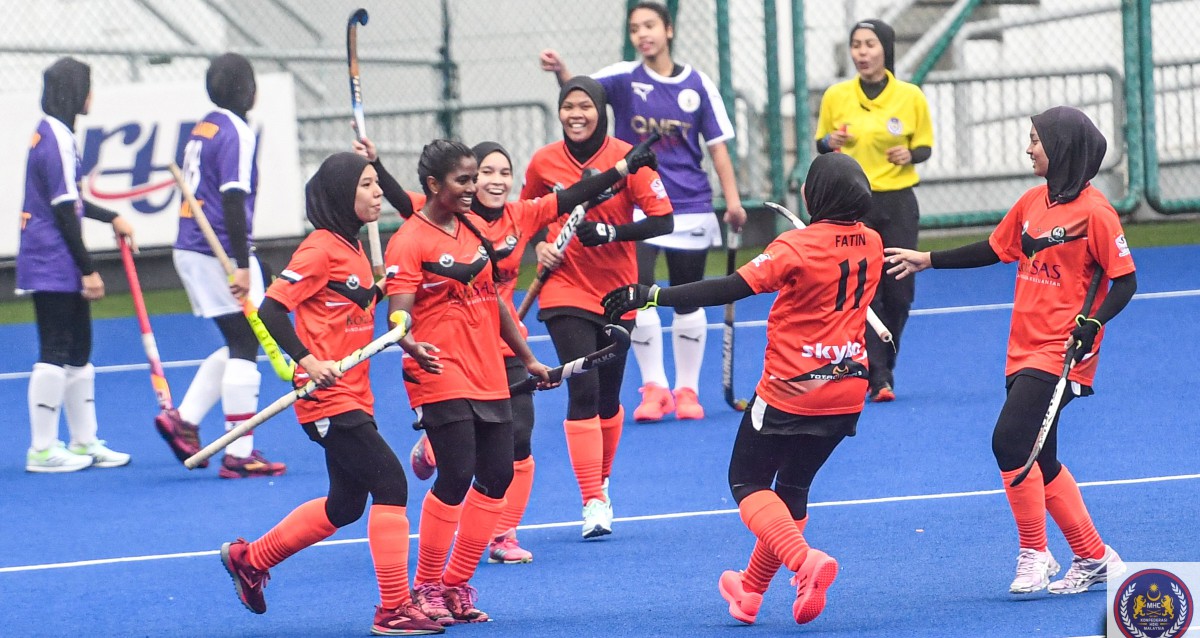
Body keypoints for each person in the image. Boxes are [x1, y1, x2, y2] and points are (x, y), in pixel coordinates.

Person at [602, 152, 882, 626]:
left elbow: (731, 288)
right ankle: (749, 592)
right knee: (791, 490)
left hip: (792, 387)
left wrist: (653, 295)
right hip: (849, 386)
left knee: (746, 482)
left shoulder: (795, 247)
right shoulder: (873, 242)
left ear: (816, 196)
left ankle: (804, 562)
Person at [355, 135, 656, 564]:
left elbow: (571, 196)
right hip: (449, 354)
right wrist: (377, 161)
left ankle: (502, 534)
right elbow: (406, 207)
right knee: (461, 465)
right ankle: (433, 556)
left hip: (502, 342)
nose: (491, 182)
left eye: (501, 173)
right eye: (480, 174)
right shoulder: (435, 225)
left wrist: (622, 170)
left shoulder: (513, 217)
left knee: (517, 441)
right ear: (447, 184)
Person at [885, 106, 1133, 595]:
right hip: (1021, 348)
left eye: (1036, 140)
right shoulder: (1029, 202)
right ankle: (1095, 556)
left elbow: (1125, 281)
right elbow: (995, 249)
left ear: (1060, 148)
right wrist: (928, 260)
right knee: (1040, 460)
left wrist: (1093, 323)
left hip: (1062, 351)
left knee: (1010, 442)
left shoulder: (1097, 213)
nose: (1028, 148)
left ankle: (1034, 552)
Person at [218, 152, 443, 635]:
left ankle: (250, 559)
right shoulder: (320, 248)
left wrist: (384, 294)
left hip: (355, 395)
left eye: (376, 184)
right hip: (327, 399)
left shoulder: (354, 248)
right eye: (367, 184)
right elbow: (273, 309)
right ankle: (393, 609)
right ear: (342, 194)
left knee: (345, 505)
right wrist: (307, 360)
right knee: (391, 484)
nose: (378, 191)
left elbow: (351, 304)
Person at [540, 1, 746, 422]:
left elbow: (717, 147)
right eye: (635, 29)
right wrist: (562, 71)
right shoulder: (622, 77)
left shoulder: (698, 84)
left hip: (689, 205)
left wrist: (735, 200)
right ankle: (655, 388)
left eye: (650, 26)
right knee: (640, 295)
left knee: (688, 296)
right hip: (636, 207)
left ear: (668, 30)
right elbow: (582, 96)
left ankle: (687, 390)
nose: (643, 35)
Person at [384, 139, 557, 625]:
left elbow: (493, 299)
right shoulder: (408, 240)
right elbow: (398, 312)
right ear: (434, 185)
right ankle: (427, 587)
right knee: (457, 473)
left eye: (473, 178)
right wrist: (406, 339)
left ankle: (457, 584)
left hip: (487, 369)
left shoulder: (472, 229)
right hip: (438, 370)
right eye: (463, 180)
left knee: (498, 474)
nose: (473, 187)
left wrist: (528, 357)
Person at [155, 53, 285, 478]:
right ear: (247, 90)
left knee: (238, 339)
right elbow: (232, 198)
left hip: (192, 246)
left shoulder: (204, 127)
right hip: (215, 249)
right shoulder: (236, 130)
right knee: (247, 342)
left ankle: (185, 420)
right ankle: (240, 451)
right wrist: (242, 261)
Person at [18, 57, 133, 473]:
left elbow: (74, 202)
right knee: (55, 349)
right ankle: (42, 450)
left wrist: (110, 216)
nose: (91, 95)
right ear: (73, 92)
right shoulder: (57, 138)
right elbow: (65, 211)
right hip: (51, 259)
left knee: (80, 350)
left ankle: (84, 441)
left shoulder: (54, 132)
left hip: (53, 255)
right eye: (87, 86)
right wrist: (88, 269)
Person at [814, 18, 933, 403]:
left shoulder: (910, 96)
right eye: (856, 45)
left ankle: (885, 361)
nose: (862, 52)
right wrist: (830, 141)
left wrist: (909, 153)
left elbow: (926, 148)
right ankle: (877, 375)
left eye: (870, 44)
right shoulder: (836, 96)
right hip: (853, 203)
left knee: (898, 293)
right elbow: (822, 143)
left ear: (885, 49)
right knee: (865, 292)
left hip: (897, 201)